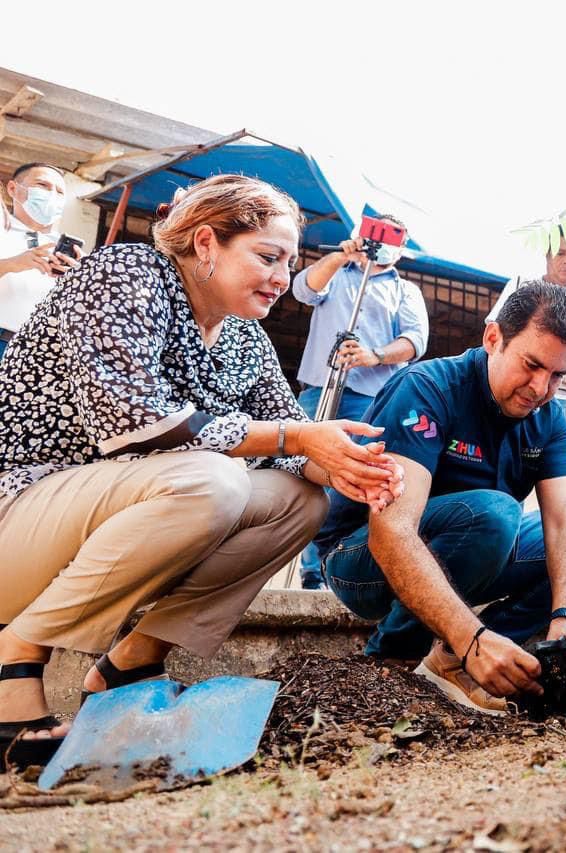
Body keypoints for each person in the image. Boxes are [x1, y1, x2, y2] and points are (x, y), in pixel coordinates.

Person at [0, 175, 403, 767]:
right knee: (214, 479)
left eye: (289, 263)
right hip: (21, 512)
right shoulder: (126, 274)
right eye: (267, 257)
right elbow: (133, 418)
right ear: (207, 243)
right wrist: (298, 436)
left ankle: (128, 664)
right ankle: (14, 655)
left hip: (108, 526)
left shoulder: (244, 337)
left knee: (300, 500)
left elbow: (291, 449)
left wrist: (350, 465)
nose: (281, 278)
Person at [318, 282, 566, 712]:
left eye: (557, 375)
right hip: (361, 557)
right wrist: (469, 635)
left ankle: (453, 656)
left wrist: (565, 617)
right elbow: (392, 531)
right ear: (493, 338)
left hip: (470, 547)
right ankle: (389, 661)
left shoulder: (548, 418)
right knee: (494, 514)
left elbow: (564, 522)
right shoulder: (427, 388)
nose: (540, 388)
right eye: (531, 365)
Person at [291, 213, 429, 589]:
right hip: (319, 389)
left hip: (367, 397)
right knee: (302, 471)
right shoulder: (338, 272)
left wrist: (375, 354)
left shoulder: (405, 291)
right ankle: (301, 563)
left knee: (348, 477)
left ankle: (324, 567)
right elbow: (303, 289)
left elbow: (416, 342)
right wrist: (341, 256)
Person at [486, 225, 566, 459]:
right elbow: (494, 338)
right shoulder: (520, 285)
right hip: (517, 393)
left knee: (561, 470)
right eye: (561, 253)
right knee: (505, 467)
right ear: (547, 256)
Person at [0, 163, 84, 358]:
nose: (52, 194)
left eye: (60, 191)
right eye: (42, 185)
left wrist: (83, 279)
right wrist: (14, 263)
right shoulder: (3, 229)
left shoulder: (71, 251)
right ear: (13, 189)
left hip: (40, 354)